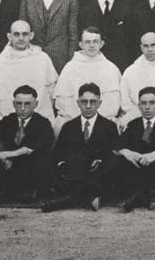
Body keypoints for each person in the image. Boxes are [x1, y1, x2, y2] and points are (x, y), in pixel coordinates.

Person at [41, 82, 120, 213]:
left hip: (97, 175)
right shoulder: (69, 126)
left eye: (93, 102)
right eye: (84, 102)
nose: (88, 106)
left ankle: (68, 200)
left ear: (99, 103)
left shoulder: (109, 126)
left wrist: (99, 160)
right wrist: (65, 163)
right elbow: (58, 153)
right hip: (74, 173)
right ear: (78, 103)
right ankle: (85, 197)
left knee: (112, 164)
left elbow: (111, 153)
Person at [0, 85, 54, 202]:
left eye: (27, 104)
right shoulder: (8, 120)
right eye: (19, 104)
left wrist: (8, 155)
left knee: (42, 160)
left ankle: (32, 194)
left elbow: (34, 148)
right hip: (8, 166)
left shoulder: (42, 123)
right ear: (14, 104)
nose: (23, 108)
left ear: (36, 104)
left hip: (29, 166)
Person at [0, 20, 58, 126]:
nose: (21, 38)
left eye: (25, 34)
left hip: (39, 115)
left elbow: (51, 91)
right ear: (9, 36)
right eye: (16, 34)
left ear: (31, 35)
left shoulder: (43, 58)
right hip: (7, 116)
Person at [114, 86, 155, 211]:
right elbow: (119, 143)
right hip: (138, 168)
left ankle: (142, 196)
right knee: (120, 160)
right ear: (138, 106)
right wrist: (126, 152)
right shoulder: (134, 124)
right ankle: (144, 195)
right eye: (143, 103)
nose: (147, 107)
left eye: (152, 103)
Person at [18, 0, 79, 73]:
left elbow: (73, 35)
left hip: (60, 59)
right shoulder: (27, 0)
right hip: (33, 57)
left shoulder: (70, 0)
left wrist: (71, 63)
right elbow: (22, 32)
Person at [54, 27, 122, 127]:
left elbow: (115, 102)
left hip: (104, 123)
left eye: (95, 41)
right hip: (73, 122)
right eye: (87, 42)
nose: (91, 45)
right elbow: (62, 103)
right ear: (81, 45)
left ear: (101, 44)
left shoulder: (111, 68)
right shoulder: (70, 68)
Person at [81, 0, 135, 71]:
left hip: (119, 62)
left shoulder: (126, 9)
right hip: (92, 62)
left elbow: (130, 40)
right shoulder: (86, 10)